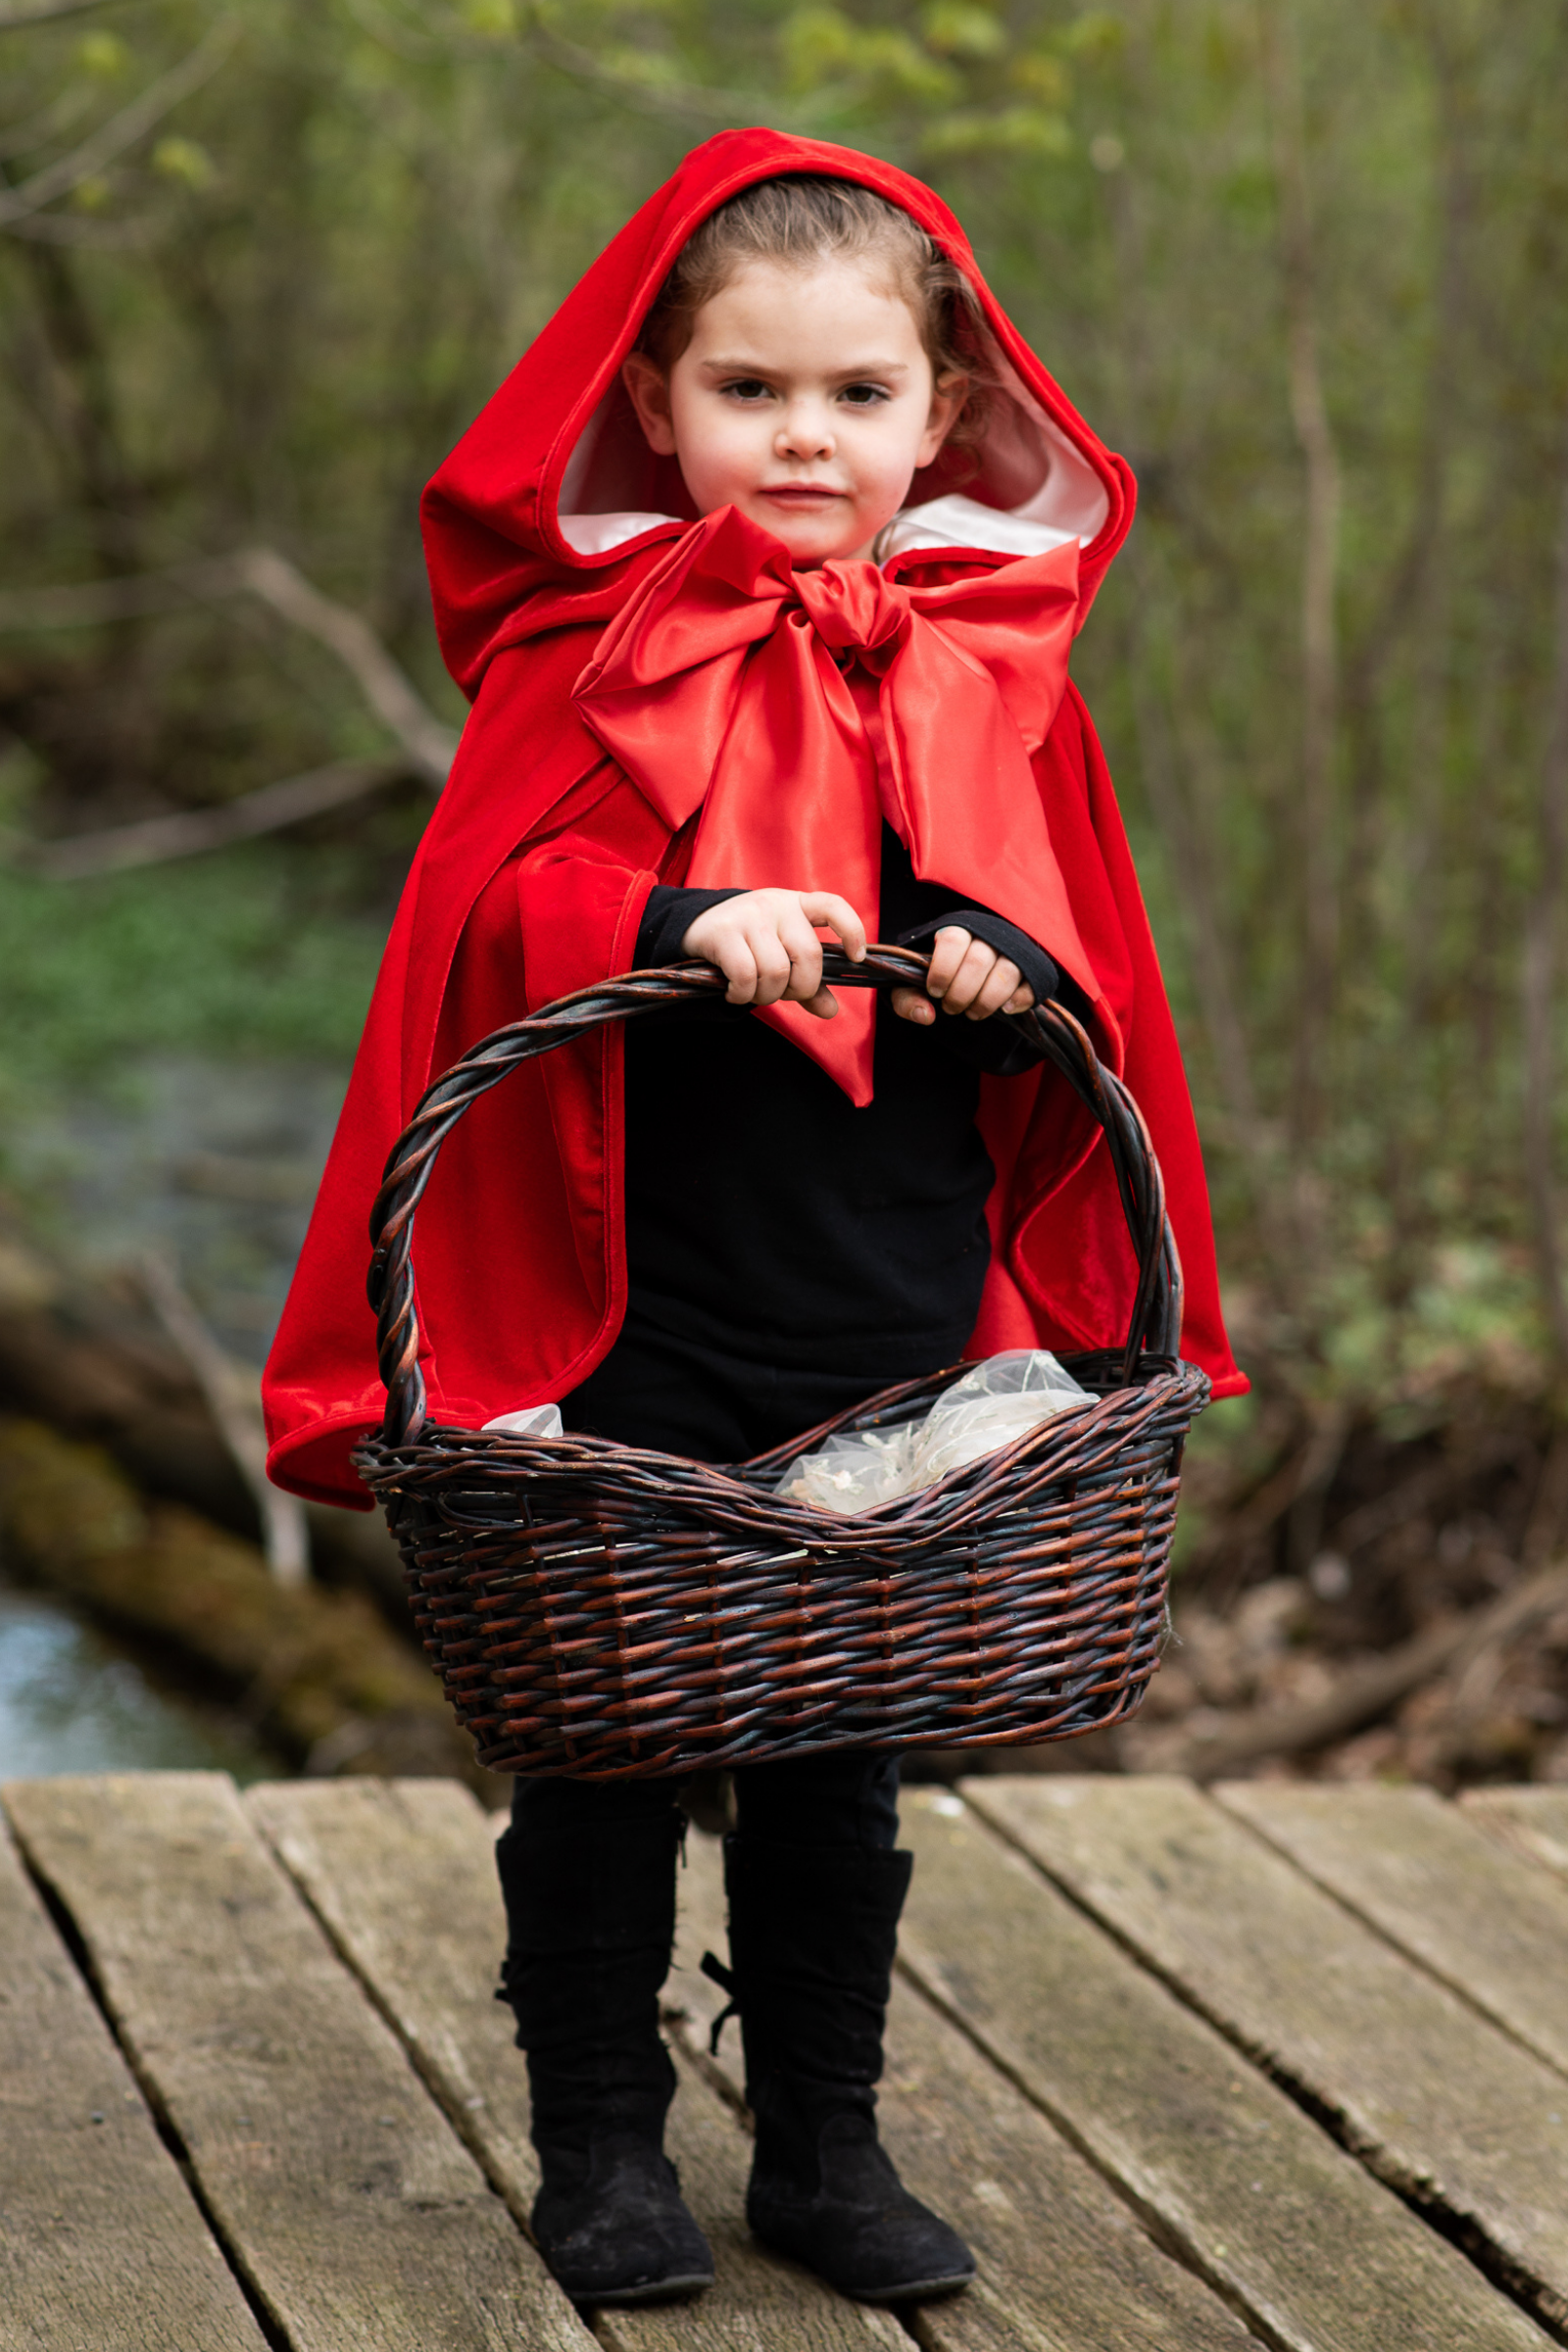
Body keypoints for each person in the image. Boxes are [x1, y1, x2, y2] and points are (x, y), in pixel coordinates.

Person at [263, 130, 1246, 2312]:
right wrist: (685, 915)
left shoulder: (993, 667)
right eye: (749, 392)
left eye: (856, 395)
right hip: (631, 1296)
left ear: (945, 406)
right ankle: (601, 2146)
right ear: (651, 404)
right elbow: (499, 916)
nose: (804, 436)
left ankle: (820, 2140)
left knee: (836, 1764)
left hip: (884, 1299)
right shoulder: (588, 650)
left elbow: (1080, 992)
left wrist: (1010, 979)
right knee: (603, 1755)